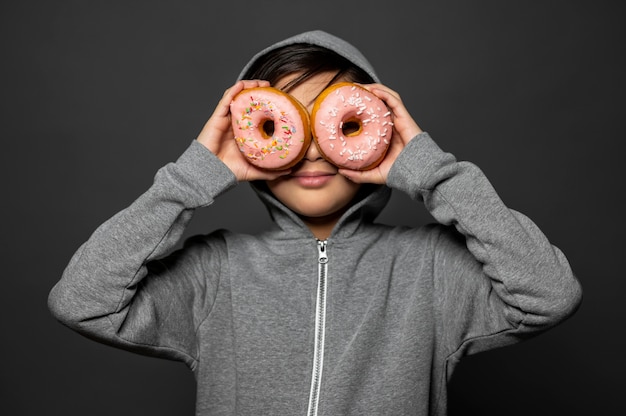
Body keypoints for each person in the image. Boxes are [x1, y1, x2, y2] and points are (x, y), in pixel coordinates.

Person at [48, 30, 582, 415]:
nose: (310, 152)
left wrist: (431, 172)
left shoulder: (432, 269)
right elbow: (83, 301)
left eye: (334, 123)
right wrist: (190, 179)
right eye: (289, 124)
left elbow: (550, 294)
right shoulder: (215, 272)